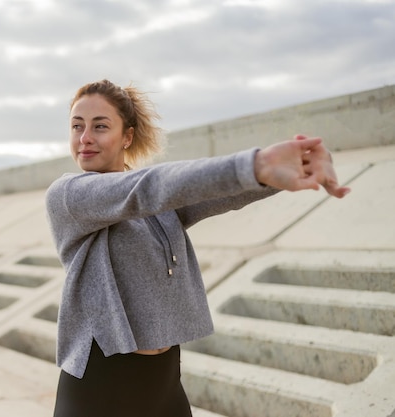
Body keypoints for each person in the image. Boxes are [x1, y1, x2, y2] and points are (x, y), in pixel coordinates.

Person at [45, 79, 350, 417]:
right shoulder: (70, 196)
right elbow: (145, 188)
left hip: (161, 382)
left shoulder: (151, 203)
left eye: (100, 126)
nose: (85, 138)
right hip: (101, 388)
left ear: (127, 136)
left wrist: (280, 173)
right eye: (77, 126)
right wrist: (254, 163)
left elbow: (208, 195)